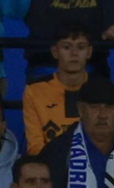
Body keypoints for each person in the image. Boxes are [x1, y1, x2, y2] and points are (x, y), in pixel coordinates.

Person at [23, 21, 94, 156]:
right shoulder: (35, 91)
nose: (74, 53)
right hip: (50, 169)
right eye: (67, 47)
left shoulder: (102, 88)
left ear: (89, 52)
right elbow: (35, 147)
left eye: (80, 47)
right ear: (55, 52)